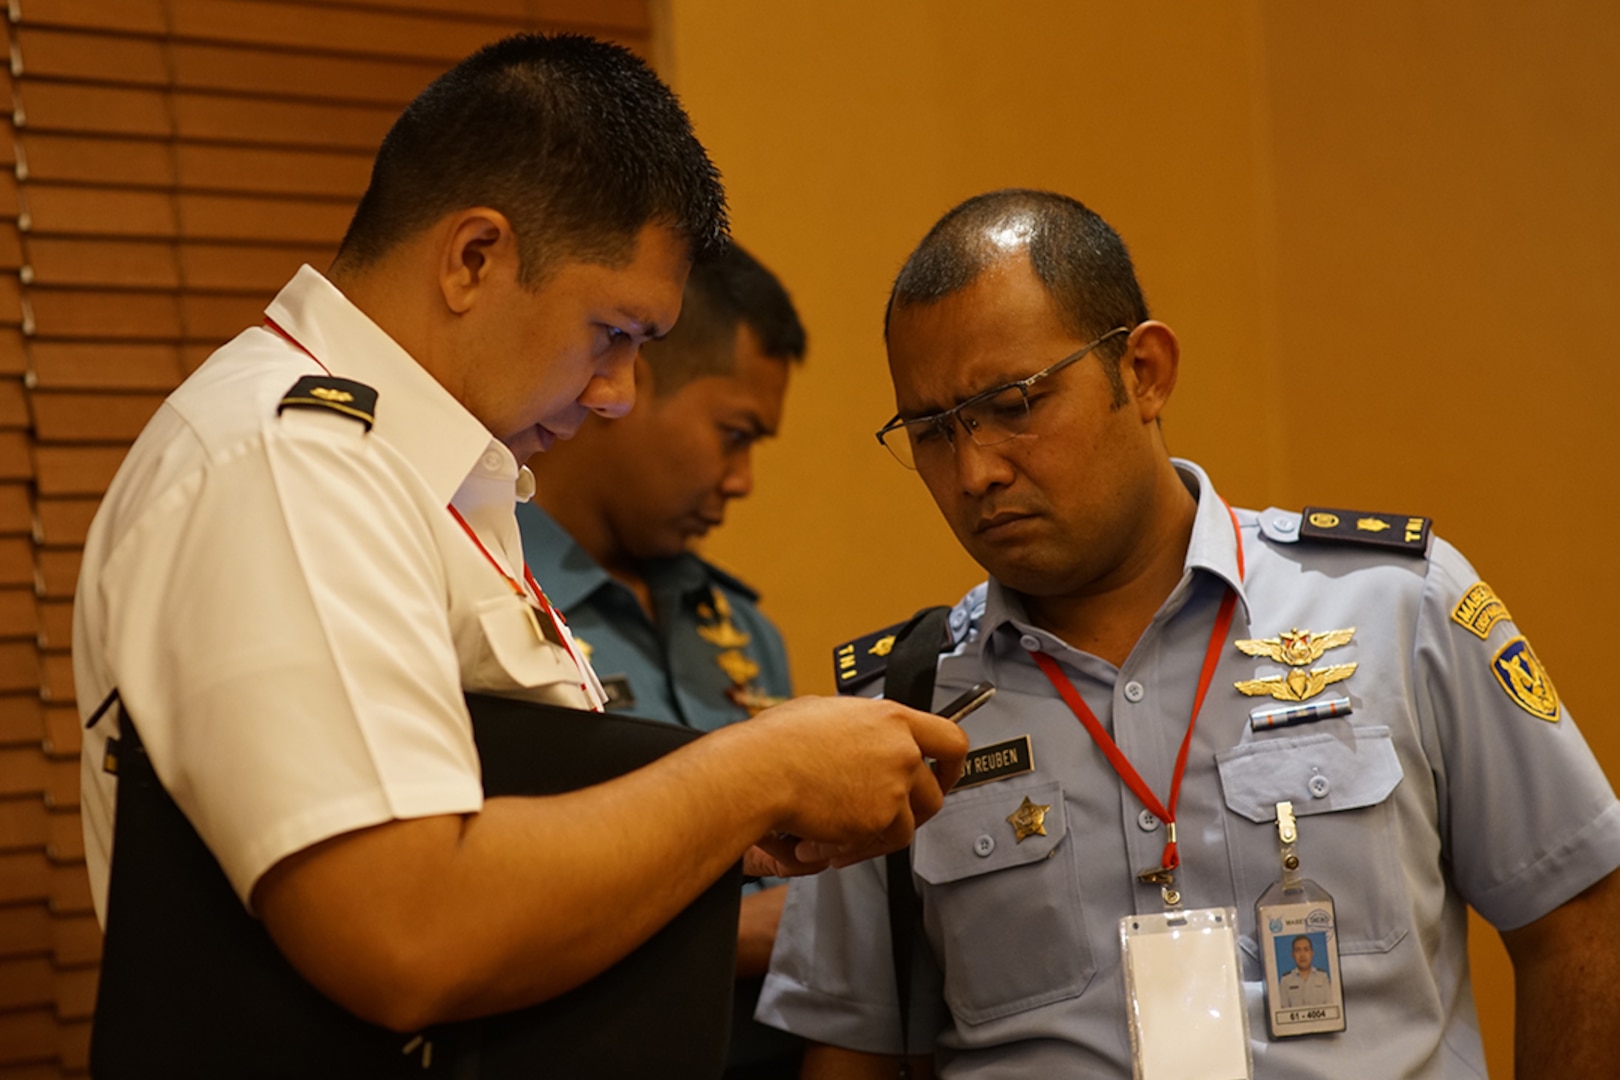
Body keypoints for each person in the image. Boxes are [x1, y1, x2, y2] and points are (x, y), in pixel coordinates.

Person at [72, 33, 966, 1039]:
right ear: (474, 258)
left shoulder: (422, 476)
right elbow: (402, 930)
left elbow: (499, 815)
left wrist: (735, 834)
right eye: (613, 334)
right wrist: (756, 777)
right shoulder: (293, 468)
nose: (619, 393)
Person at [757, 189, 1620, 1078]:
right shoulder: (898, 709)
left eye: (1014, 405)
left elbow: (1580, 923)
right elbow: (851, 1048)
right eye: (934, 431)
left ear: (1144, 373)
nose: (974, 470)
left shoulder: (1397, 606)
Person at [518, 241, 808, 1076]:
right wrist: (739, 936)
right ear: (631, 383)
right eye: (733, 434)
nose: (744, 479)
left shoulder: (739, 631)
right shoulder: (491, 608)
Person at [1279, 936, 1331, 1009]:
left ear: (1312, 953)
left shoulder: (1323, 977)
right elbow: (1284, 1009)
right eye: (1298, 950)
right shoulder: (1285, 980)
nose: (1302, 955)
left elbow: (1329, 1005)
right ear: (1293, 955)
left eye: (1306, 950)